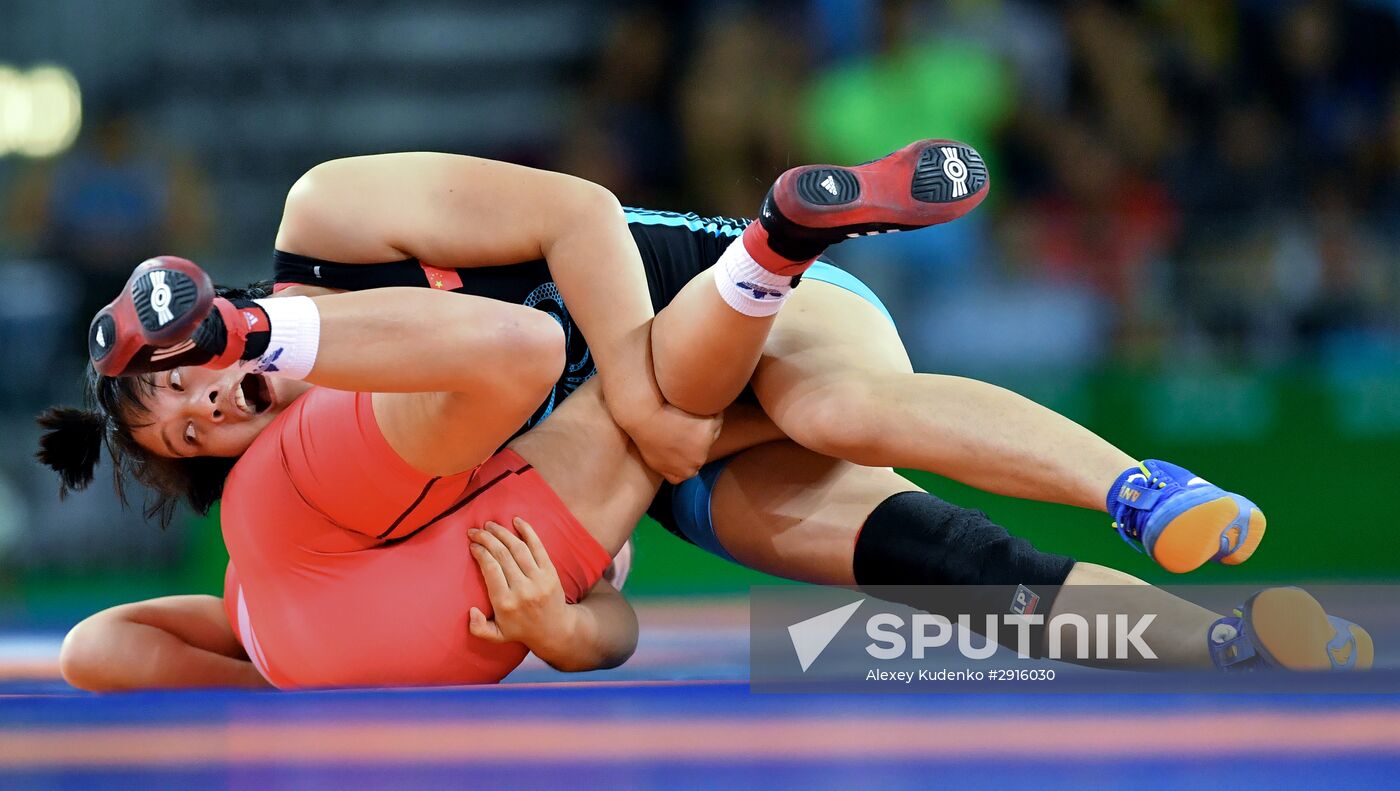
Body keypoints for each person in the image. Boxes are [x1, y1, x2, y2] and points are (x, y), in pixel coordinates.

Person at [44, 142, 1367, 690]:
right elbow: (604, 588)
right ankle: (1229, 647)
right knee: (932, 568)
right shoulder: (362, 488)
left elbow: (572, 214)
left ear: (215, 314)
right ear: (226, 467)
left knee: (844, 406)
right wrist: (562, 632)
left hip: (686, 303)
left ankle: (1136, 485)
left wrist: (629, 387)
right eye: (195, 428)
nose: (215, 406)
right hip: (661, 438)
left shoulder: (327, 223)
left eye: (194, 377)